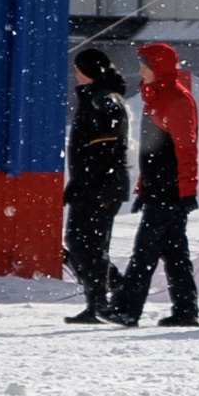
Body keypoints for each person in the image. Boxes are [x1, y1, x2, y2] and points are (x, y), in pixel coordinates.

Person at [107, 41, 199, 327]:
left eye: (145, 66)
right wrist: (142, 189)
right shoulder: (156, 98)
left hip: (169, 192)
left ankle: (126, 309)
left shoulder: (177, 100)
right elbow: (151, 152)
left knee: (144, 252)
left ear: (158, 68)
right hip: (159, 190)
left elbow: (186, 149)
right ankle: (185, 311)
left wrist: (187, 191)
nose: (140, 71)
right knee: (175, 254)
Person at [62, 46, 130, 322]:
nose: (75, 74)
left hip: (101, 187)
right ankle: (104, 295)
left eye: (78, 69)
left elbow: (103, 150)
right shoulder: (95, 97)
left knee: (86, 245)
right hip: (94, 185)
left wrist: (88, 183)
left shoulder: (104, 101)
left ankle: (104, 298)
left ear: (89, 72)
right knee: (82, 243)